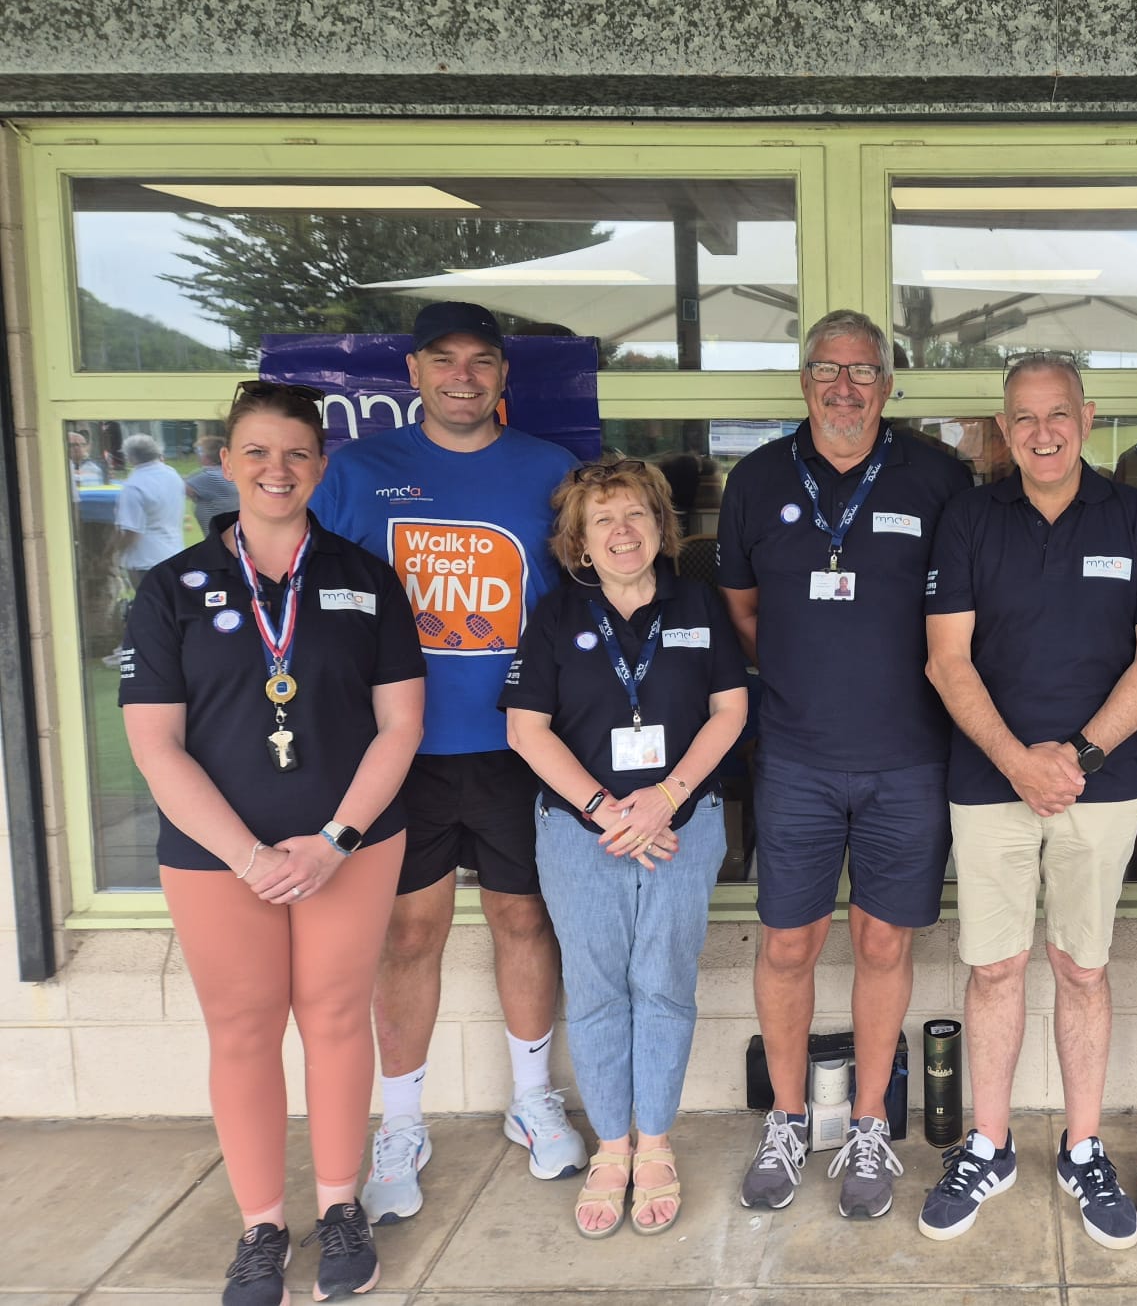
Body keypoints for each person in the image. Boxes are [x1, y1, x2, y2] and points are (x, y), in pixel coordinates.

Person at [118, 381, 426, 1306]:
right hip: (217, 856)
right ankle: (260, 1226)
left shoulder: (368, 578)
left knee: (335, 1019)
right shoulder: (170, 589)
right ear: (226, 462)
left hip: (349, 846)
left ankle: (339, 1207)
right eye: (256, 451)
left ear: (321, 467)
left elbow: (401, 725)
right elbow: (154, 745)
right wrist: (249, 857)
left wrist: (332, 841)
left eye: (295, 453)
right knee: (245, 1030)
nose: (276, 470)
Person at [312, 299, 586, 1222]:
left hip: (519, 744)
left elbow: (582, 602)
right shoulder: (358, 473)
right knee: (410, 934)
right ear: (414, 373)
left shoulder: (549, 472)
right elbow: (313, 600)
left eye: (480, 361)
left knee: (524, 920)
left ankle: (532, 1099)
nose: (462, 376)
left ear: (503, 375)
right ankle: (400, 1123)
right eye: (444, 359)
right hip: (400, 752)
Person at [918, 354, 1137, 1250]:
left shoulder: (1136, 517)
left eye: (1058, 413)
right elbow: (947, 660)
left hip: (1098, 787)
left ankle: (1082, 1148)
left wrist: (1076, 757)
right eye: (1024, 417)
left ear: (1087, 416)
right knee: (995, 969)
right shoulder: (968, 519)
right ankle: (989, 1147)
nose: (1042, 433)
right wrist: (1015, 762)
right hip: (987, 783)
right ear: (1004, 426)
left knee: (1082, 968)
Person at [718, 308, 971, 1220]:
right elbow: (743, 612)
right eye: (829, 369)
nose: (845, 387)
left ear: (889, 386)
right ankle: (788, 1120)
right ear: (804, 380)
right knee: (788, 942)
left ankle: (868, 1125)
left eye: (864, 372)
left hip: (910, 761)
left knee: (882, 942)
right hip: (796, 758)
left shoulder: (939, 479)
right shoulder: (756, 479)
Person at [504, 457, 750, 1238]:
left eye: (636, 513)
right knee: (598, 991)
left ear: (660, 525)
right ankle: (613, 1147)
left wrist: (666, 797)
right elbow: (526, 729)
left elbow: (730, 709)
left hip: (682, 825)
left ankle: (657, 1143)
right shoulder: (556, 615)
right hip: (583, 835)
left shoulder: (697, 603)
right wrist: (605, 809)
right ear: (579, 540)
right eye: (602, 519)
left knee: (665, 984)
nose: (621, 531)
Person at [115, 432, 188, 585]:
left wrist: (114, 553)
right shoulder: (172, 474)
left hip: (146, 560)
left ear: (130, 457)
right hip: (175, 553)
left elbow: (131, 532)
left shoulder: (134, 486)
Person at [186, 433, 241, 532]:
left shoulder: (209, 476)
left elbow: (176, 488)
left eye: (199, 451)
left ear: (206, 455)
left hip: (222, 537)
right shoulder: (230, 473)